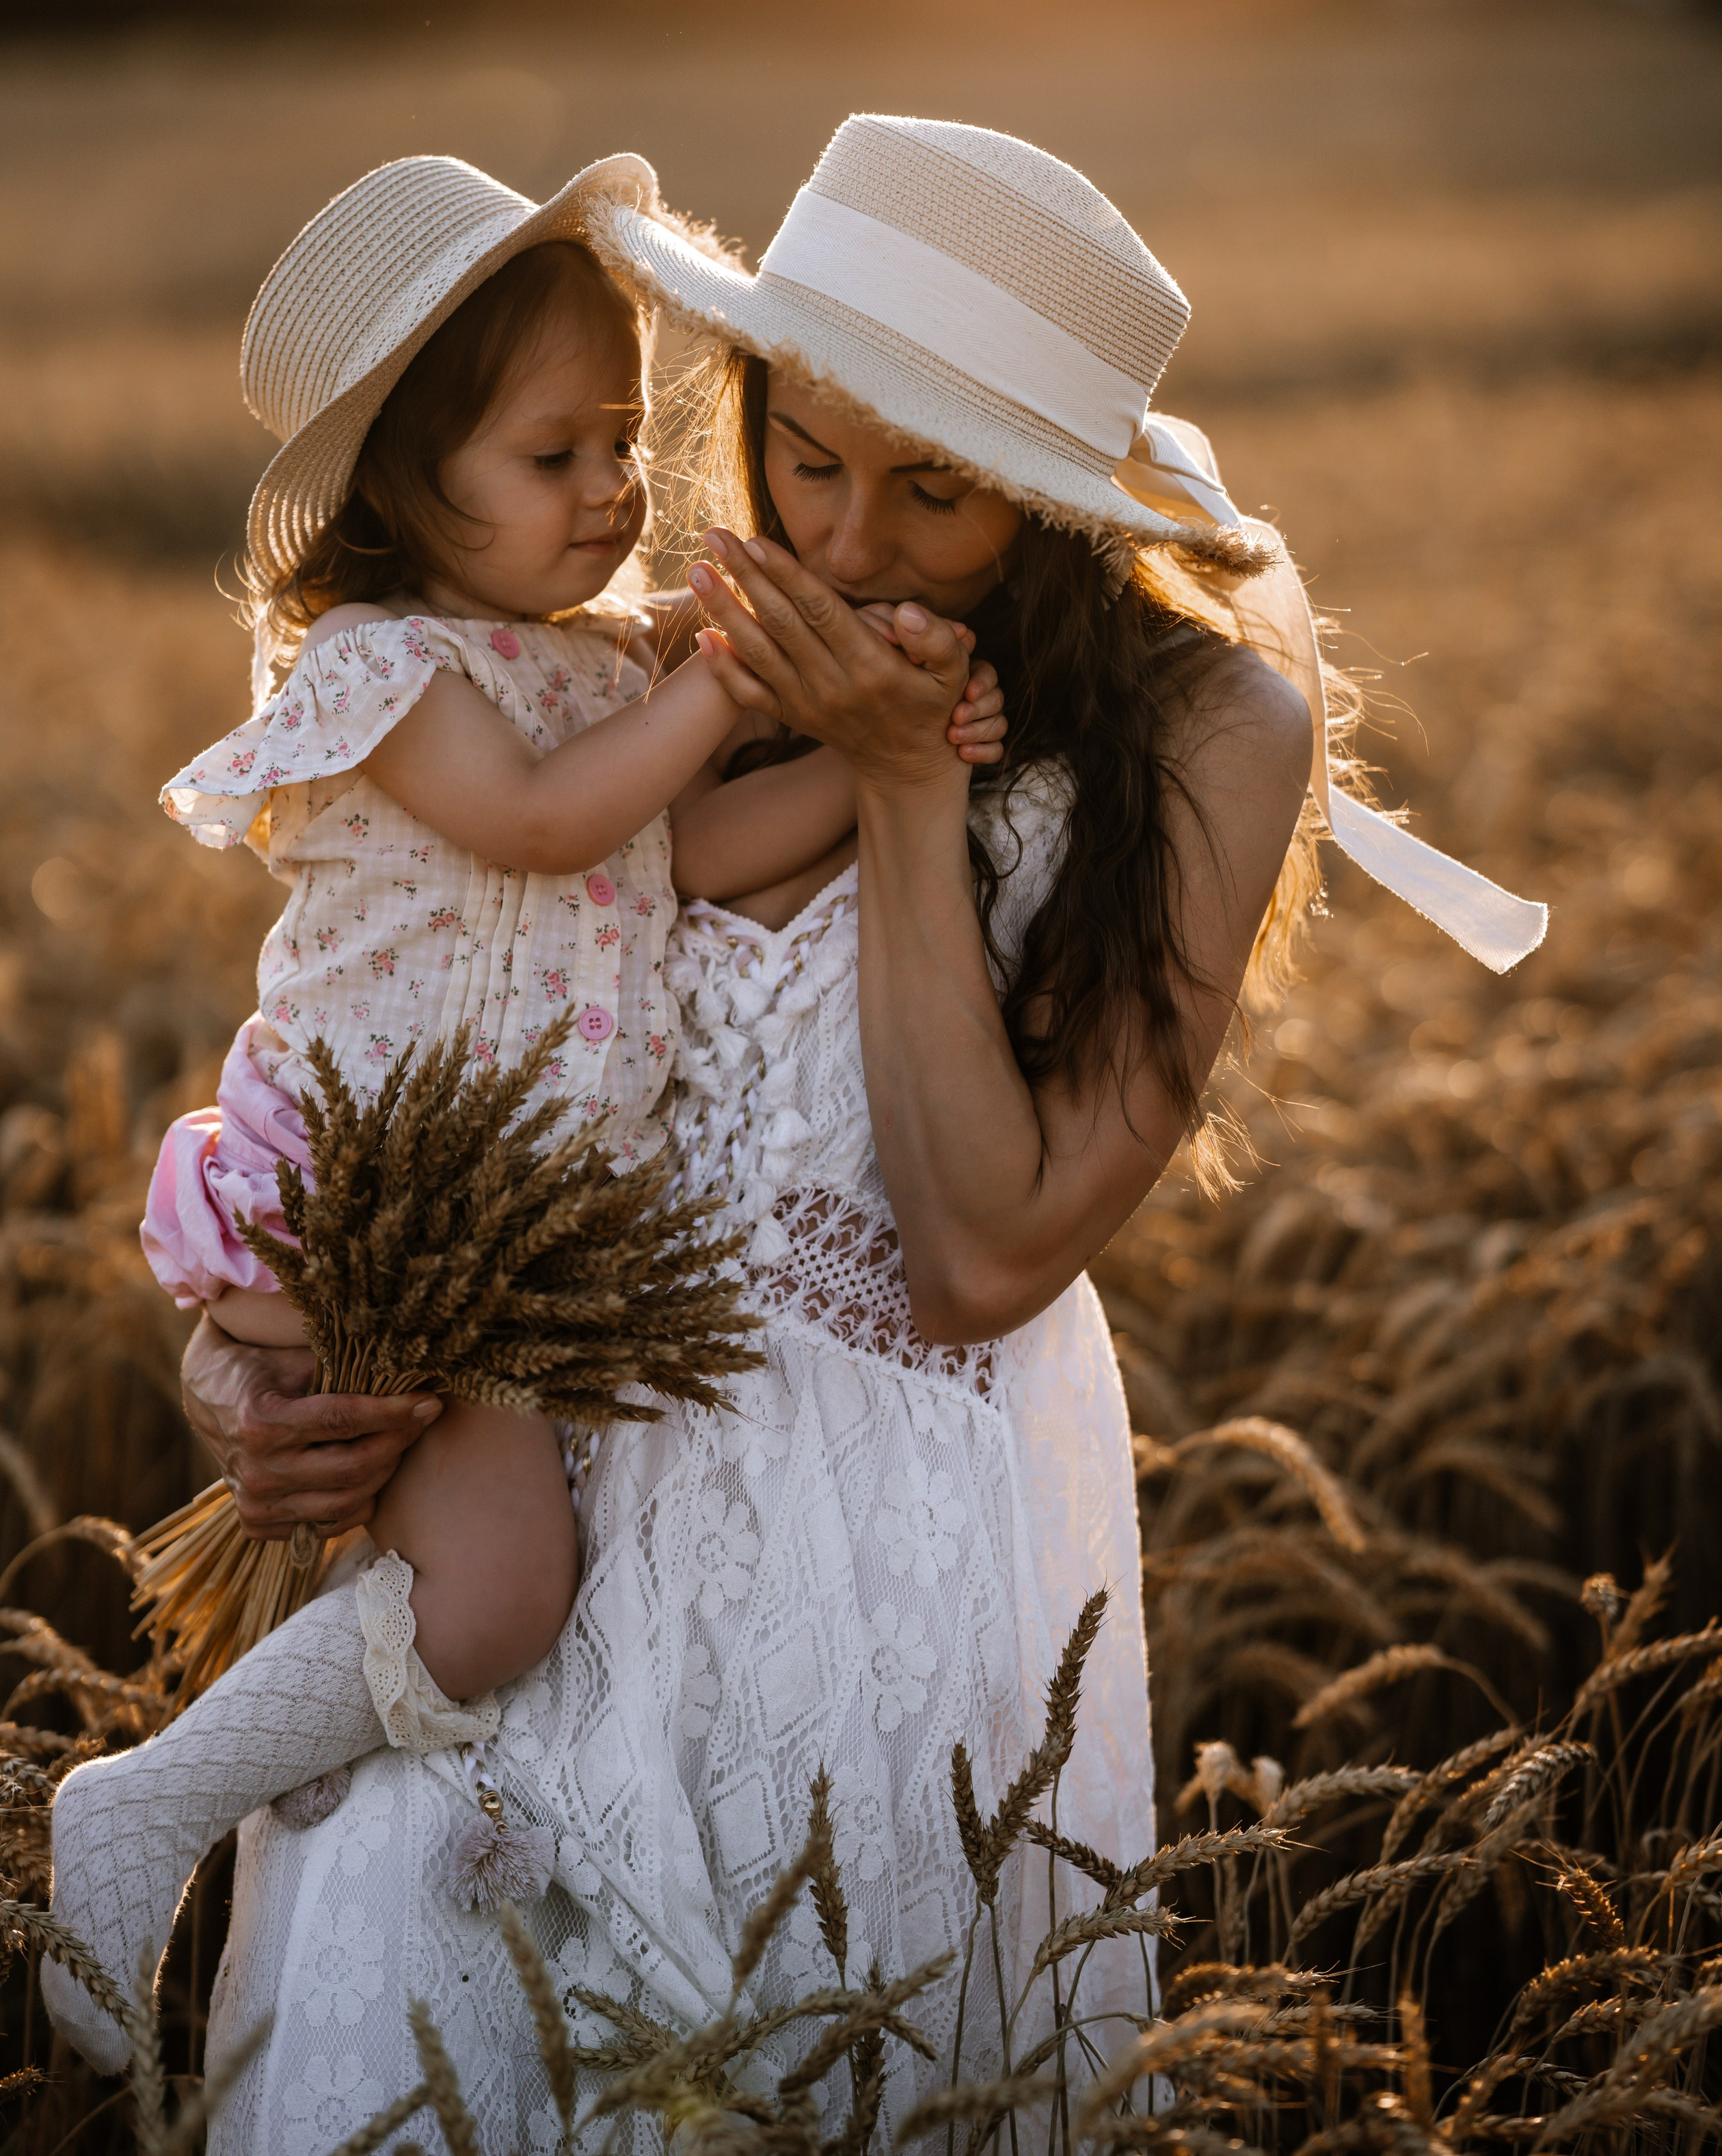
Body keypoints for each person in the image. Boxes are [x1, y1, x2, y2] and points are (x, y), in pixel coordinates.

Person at [187, 118, 1544, 2153]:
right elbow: (383, 1014)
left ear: (1065, 504)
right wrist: (245, 1353)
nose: (842, 540)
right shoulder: (671, 647)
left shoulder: (1206, 734)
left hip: (873, 1571)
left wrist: (908, 786)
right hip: (510, 1512)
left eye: (935, 491)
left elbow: (986, 1251)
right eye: (801, 451)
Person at [40, 148, 1004, 2075]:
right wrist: (728, 683)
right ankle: (149, 1799)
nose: (613, 492)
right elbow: (563, 824)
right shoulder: (385, 673)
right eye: (552, 457)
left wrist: (906, 761)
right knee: (494, 1598)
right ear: (407, 490)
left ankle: (357, 1833)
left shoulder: (578, 670)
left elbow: (678, 854)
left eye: (624, 442)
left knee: (476, 1580)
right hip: (381, 1198)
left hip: (494, 1223)